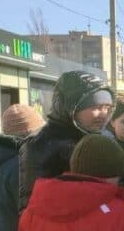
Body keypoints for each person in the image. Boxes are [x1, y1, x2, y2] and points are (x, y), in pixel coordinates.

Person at [18, 71, 114, 210]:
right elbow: (33, 204)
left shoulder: (104, 138)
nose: (103, 114)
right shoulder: (40, 144)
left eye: (107, 108)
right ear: (71, 107)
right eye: (95, 107)